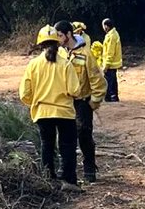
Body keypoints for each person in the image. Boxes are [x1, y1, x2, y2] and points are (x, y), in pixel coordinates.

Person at [19, 25, 82, 191]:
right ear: (57, 43)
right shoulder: (66, 64)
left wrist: (36, 102)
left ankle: (48, 180)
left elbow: (24, 93)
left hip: (42, 112)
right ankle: (69, 181)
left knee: (47, 146)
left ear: (39, 45)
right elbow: (75, 90)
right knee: (67, 146)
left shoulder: (33, 65)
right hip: (65, 113)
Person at [55, 20, 106, 183]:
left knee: (84, 135)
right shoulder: (60, 54)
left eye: (60, 35)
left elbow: (97, 80)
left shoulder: (86, 53)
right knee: (65, 137)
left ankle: (89, 169)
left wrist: (93, 103)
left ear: (68, 34)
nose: (57, 38)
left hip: (83, 102)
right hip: (66, 102)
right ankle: (66, 170)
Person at [101, 18, 122, 102]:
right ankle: (114, 96)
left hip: (111, 64)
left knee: (109, 81)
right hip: (113, 63)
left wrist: (106, 66)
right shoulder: (112, 34)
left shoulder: (111, 36)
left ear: (106, 26)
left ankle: (109, 97)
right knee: (113, 80)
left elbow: (110, 52)